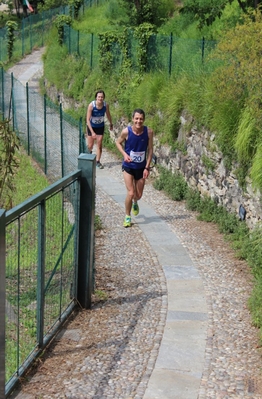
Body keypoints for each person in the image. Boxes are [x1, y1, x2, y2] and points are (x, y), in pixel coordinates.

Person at [116, 108, 154, 227]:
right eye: (136, 118)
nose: (138, 121)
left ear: (144, 120)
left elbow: (150, 150)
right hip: (128, 166)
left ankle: (135, 202)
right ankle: (127, 216)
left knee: (138, 195)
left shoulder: (149, 132)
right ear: (133, 119)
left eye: (141, 119)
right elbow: (118, 142)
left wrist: (147, 168)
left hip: (141, 168)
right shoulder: (126, 132)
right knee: (131, 192)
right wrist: (125, 154)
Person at [86, 90, 113, 169]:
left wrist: (111, 123)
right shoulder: (91, 105)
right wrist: (92, 132)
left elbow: (108, 114)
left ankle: (98, 161)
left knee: (99, 144)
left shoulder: (105, 105)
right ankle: (88, 158)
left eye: (102, 97)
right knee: (90, 145)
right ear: (96, 98)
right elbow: (87, 120)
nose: (100, 98)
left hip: (100, 126)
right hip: (91, 126)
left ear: (103, 98)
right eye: (99, 97)